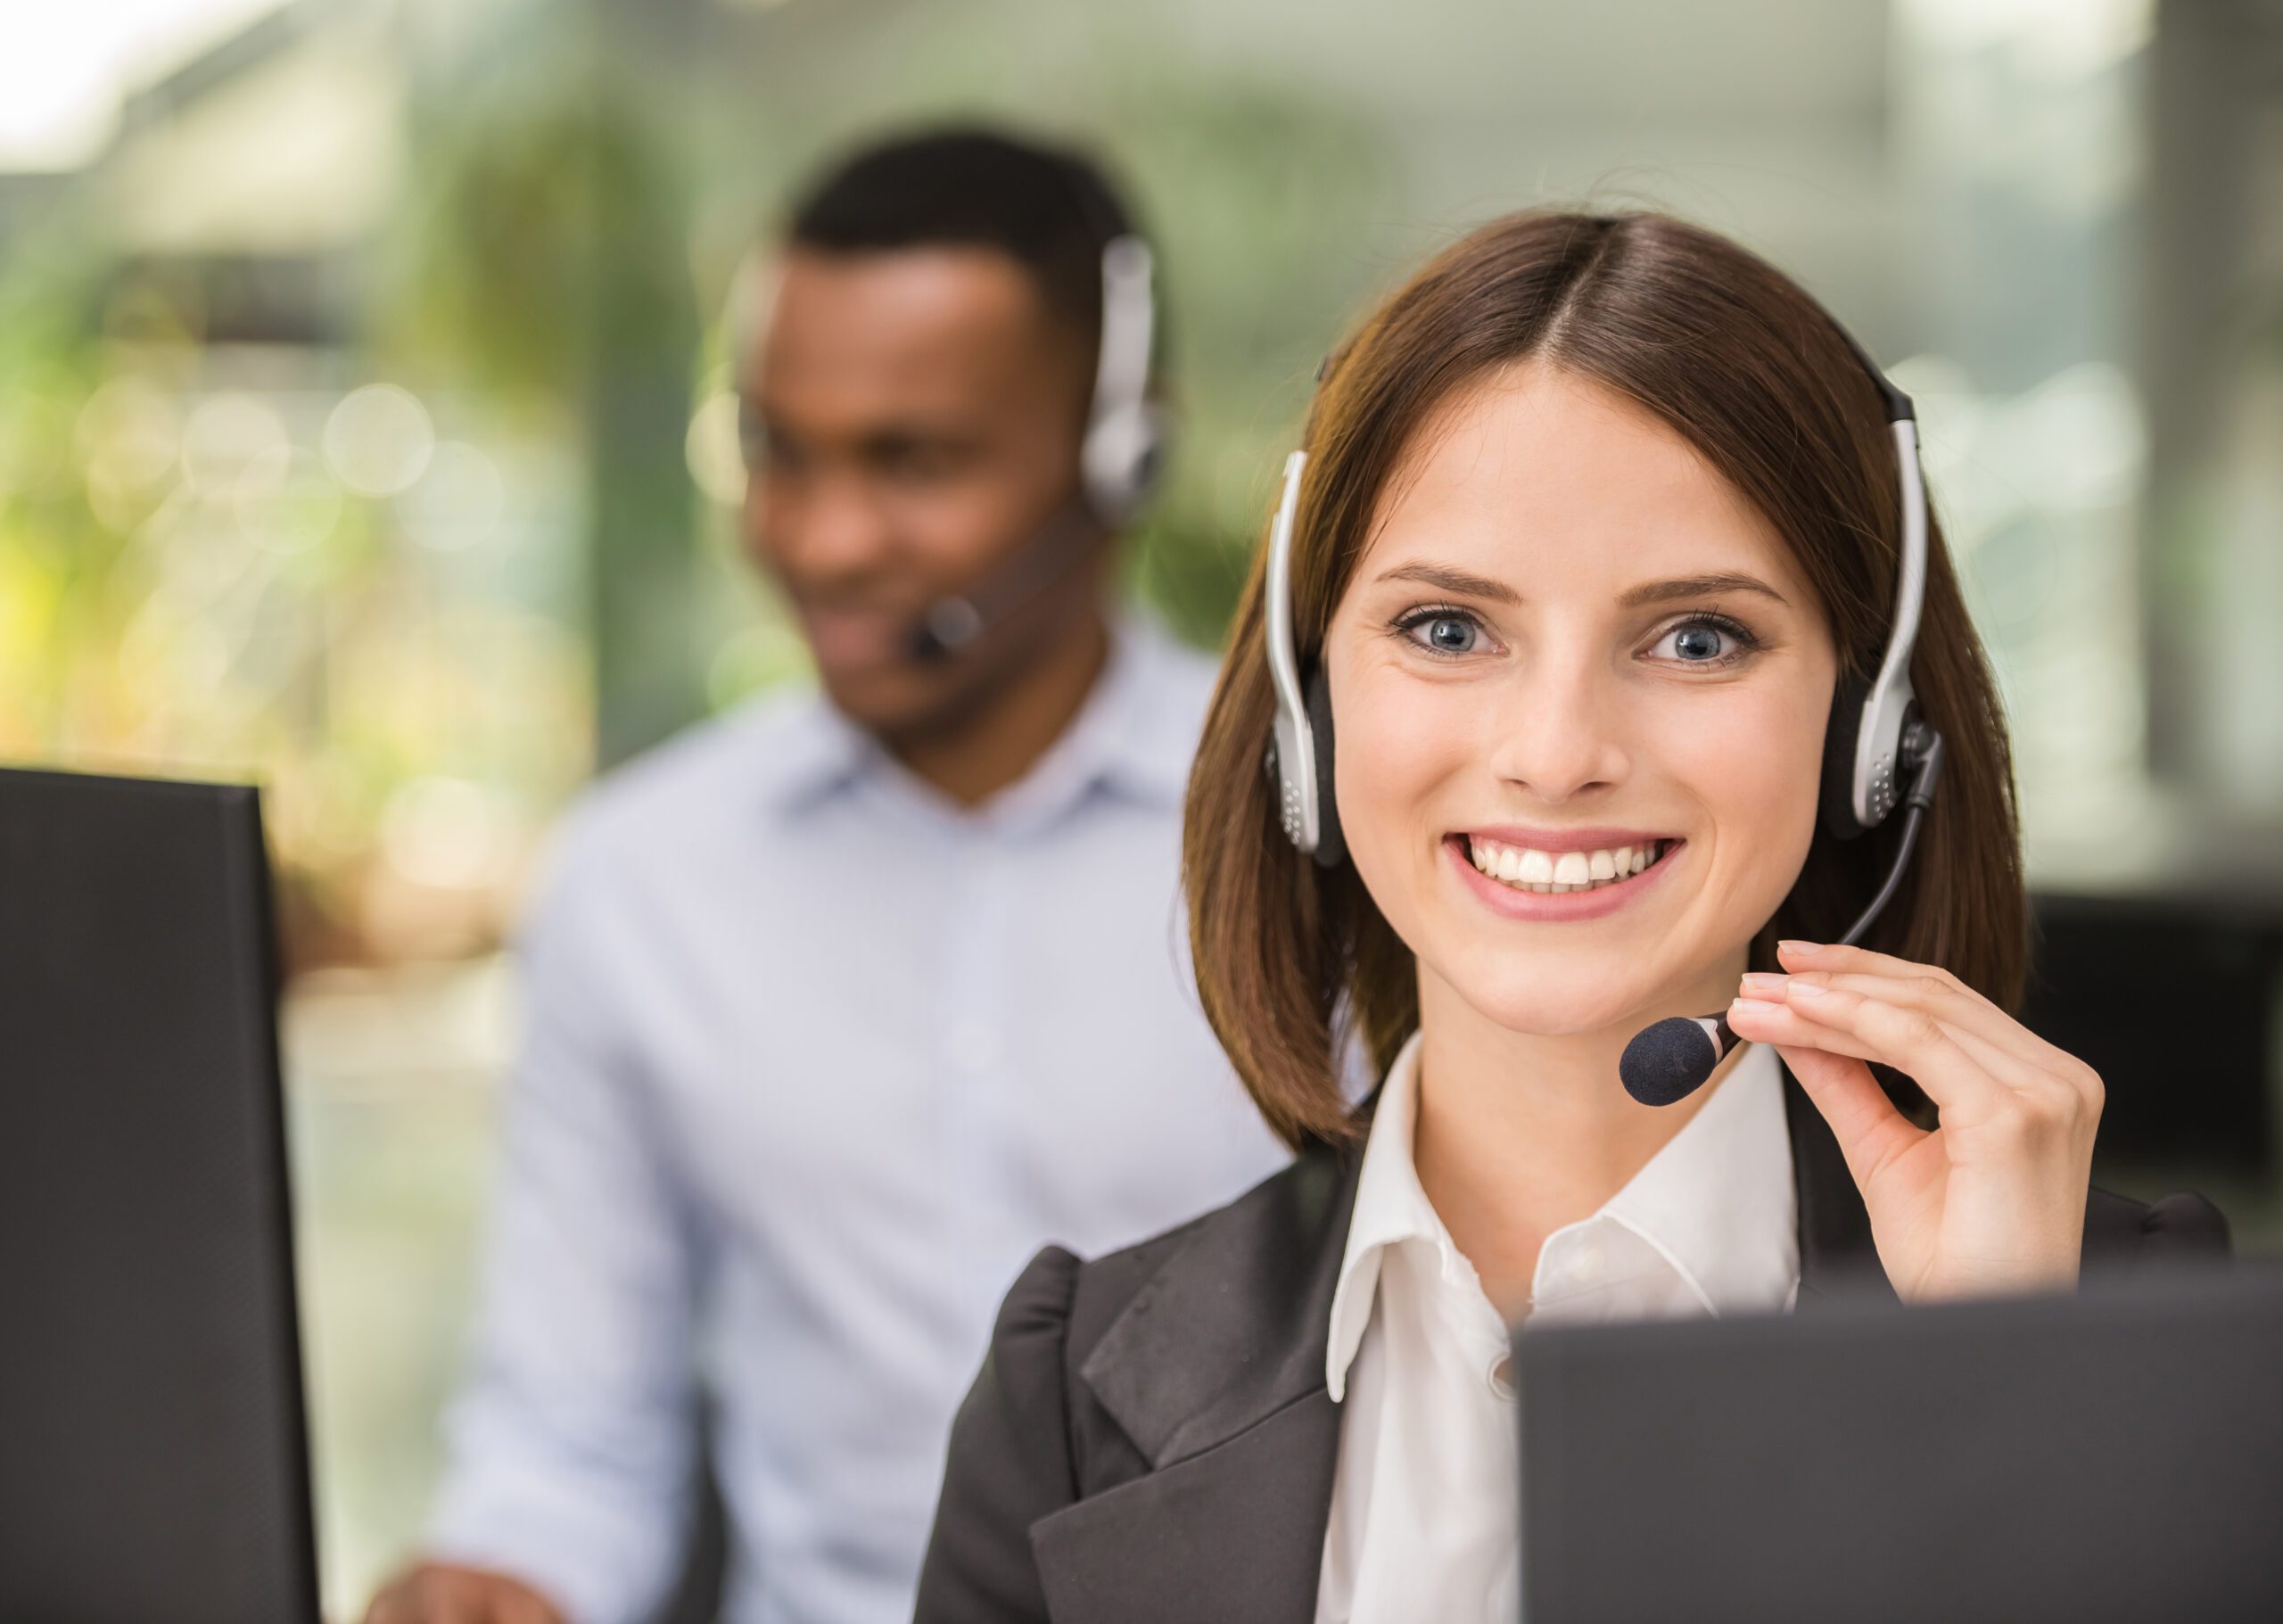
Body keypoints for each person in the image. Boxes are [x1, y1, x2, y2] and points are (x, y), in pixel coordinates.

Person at [912, 209, 2229, 1624]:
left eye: (1698, 636)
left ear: (1869, 730)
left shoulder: (2125, 1329)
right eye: (1447, 628)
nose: (1556, 751)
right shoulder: (1070, 1389)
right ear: (1309, 709)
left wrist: (2001, 1401)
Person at [364, 128, 1287, 1624]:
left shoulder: (1324, 847)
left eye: (912, 461)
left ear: (1125, 452)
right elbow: (573, 1439)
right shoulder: (637, 882)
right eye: (778, 452)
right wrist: (505, 1576)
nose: (822, 537)